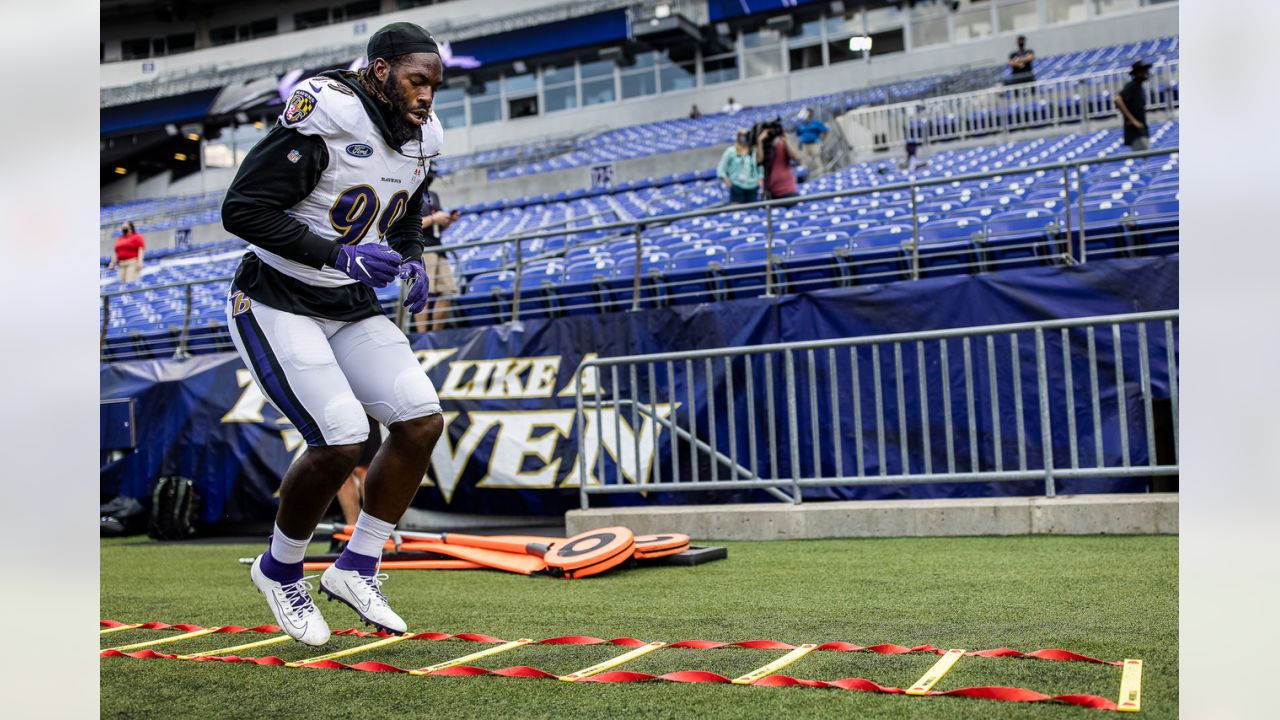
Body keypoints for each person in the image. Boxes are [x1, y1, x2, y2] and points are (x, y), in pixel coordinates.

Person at [220, 22, 446, 646]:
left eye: (435, 84)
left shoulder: (421, 137)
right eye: (416, 79)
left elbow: (402, 215)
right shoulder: (328, 113)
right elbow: (241, 209)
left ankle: (358, 566)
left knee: (420, 419)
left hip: (348, 302)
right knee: (344, 435)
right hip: (275, 295)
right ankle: (280, 568)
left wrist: (410, 257)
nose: (427, 95)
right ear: (380, 70)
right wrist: (337, 255)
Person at [416, 169, 459, 332]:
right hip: (422, 248)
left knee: (448, 291)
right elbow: (408, 226)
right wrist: (434, 218)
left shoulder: (432, 195)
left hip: (438, 246)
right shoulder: (409, 194)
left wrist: (448, 220)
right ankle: (422, 336)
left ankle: (436, 335)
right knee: (423, 294)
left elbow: (438, 227)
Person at [335, 417, 382, 525]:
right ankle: (351, 531)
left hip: (364, 407)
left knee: (366, 468)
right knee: (342, 473)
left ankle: (373, 529)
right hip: (333, 410)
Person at [757, 122, 800, 201]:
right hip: (771, 192)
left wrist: (786, 140)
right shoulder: (763, 146)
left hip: (787, 190)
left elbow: (795, 157)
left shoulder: (783, 144)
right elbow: (760, 160)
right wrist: (760, 141)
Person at [717, 129, 762, 204]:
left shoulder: (753, 151)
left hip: (752, 187)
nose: (744, 137)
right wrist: (728, 182)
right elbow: (720, 169)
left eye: (746, 135)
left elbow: (760, 167)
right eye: (741, 135)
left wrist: (760, 179)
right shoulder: (731, 151)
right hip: (737, 187)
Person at [1115, 60, 1152, 151]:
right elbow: (1117, 100)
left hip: (1141, 131)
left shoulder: (1139, 87)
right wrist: (1133, 120)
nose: (1147, 73)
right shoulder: (1132, 86)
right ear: (1138, 73)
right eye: (1144, 71)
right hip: (1135, 133)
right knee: (1143, 158)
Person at [795, 108, 828, 177]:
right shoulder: (801, 124)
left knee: (817, 161)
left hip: (814, 144)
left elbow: (825, 131)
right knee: (804, 162)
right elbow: (798, 134)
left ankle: (821, 176)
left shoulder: (816, 123)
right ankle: (806, 177)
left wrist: (822, 140)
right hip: (804, 145)